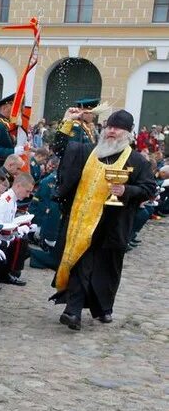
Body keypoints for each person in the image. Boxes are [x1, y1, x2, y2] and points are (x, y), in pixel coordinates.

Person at [50, 108, 157, 330]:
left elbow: (148, 189)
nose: (111, 131)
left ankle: (103, 308)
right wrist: (67, 122)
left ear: (127, 133)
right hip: (82, 222)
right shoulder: (88, 151)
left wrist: (126, 190)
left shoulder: (137, 161)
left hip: (112, 225)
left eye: (117, 128)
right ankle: (73, 312)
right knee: (80, 264)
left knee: (106, 270)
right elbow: (60, 149)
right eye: (109, 126)